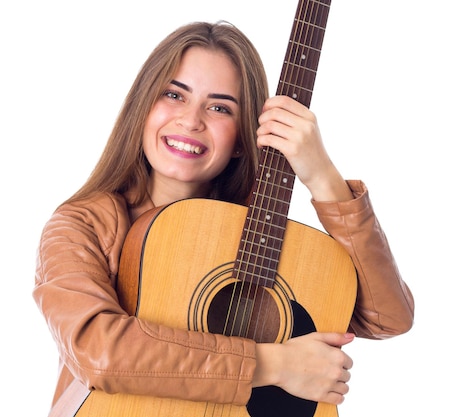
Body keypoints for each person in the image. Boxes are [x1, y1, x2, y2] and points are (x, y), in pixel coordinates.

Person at [33, 21, 414, 415]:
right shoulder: (83, 224)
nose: (191, 120)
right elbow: (99, 349)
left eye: (219, 107)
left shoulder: (262, 236)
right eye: (173, 94)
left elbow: (387, 318)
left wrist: (323, 177)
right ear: (142, 107)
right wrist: (275, 365)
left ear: (241, 138)